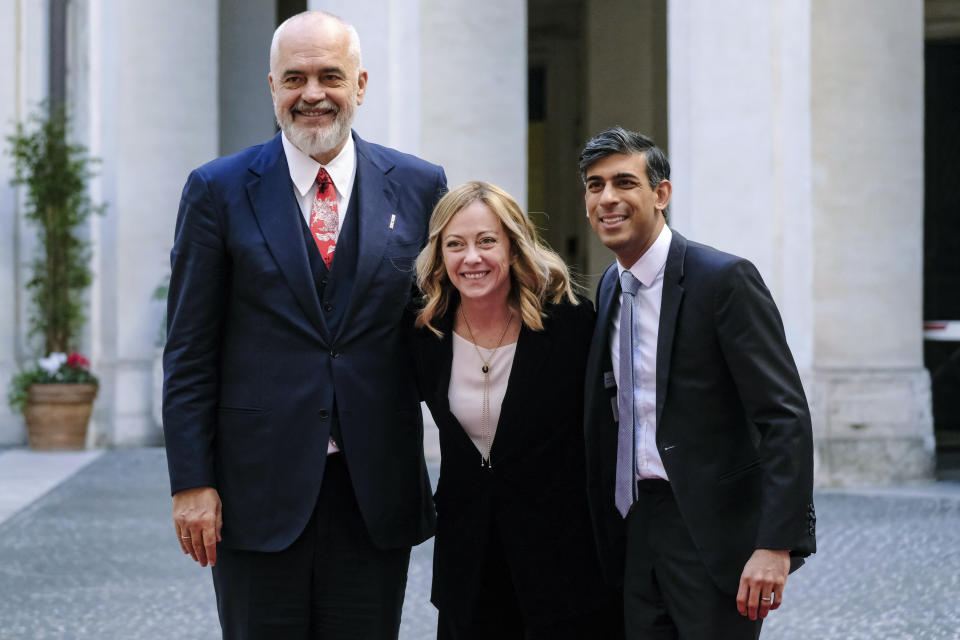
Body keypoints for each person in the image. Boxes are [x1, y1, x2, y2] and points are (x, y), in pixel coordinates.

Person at [162, 11, 446, 638]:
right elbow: (189, 350)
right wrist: (192, 482)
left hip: (374, 489)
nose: (312, 94)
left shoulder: (422, 187)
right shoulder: (217, 190)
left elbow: (438, 332)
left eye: (329, 76)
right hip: (254, 492)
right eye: (294, 78)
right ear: (272, 87)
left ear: (361, 84)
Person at [580, 126, 816, 639]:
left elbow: (784, 416)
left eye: (624, 182)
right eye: (595, 186)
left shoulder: (723, 280)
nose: (608, 199)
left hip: (712, 534)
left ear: (661, 193)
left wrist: (776, 544)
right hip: (633, 528)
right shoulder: (608, 285)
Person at [412, 181, 622, 640]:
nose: (472, 258)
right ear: (439, 255)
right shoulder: (424, 335)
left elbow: (612, 431)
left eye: (487, 241)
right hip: (468, 568)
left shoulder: (569, 326)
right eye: (456, 245)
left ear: (513, 245)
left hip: (565, 567)